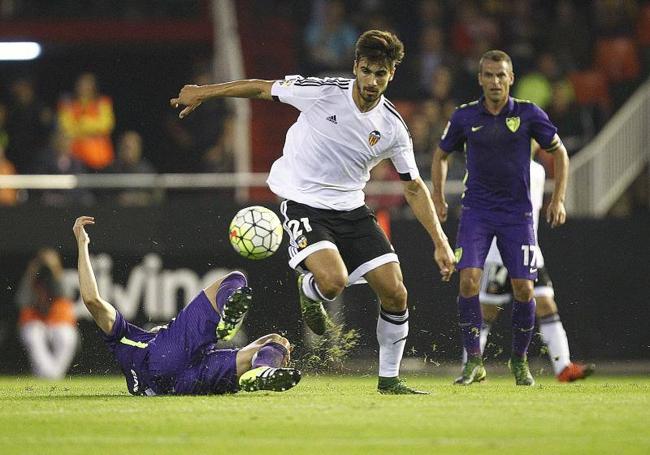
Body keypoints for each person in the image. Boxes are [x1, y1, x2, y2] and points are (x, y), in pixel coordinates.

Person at [171, 29, 456, 394]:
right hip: (304, 201)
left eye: (380, 74)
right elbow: (261, 88)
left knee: (396, 293)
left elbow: (414, 186)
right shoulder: (324, 93)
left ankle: (389, 380)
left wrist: (441, 241)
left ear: (392, 75)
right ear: (356, 67)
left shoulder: (392, 128)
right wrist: (204, 93)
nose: (371, 81)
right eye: (366, 71)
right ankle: (310, 288)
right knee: (333, 282)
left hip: (352, 208)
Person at [431, 49, 570, 386]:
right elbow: (440, 155)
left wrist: (558, 199)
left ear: (511, 78)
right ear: (480, 79)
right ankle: (473, 362)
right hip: (477, 211)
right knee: (467, 282)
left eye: (500, 75)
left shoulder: (529, 114)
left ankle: (518, 360)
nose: (495, 81)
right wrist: (437, 197)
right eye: (489, 75)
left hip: (517, 216)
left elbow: (560, 152)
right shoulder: (465, 116)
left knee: (525, 289)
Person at [72, 216, 301, 395]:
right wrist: (82, 244)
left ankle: (262, 368)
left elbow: (92, 301)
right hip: (167, 360)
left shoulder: (124, 344)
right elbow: (92, 299)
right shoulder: (122, 335)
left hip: (183, 382)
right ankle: (228, 316)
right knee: (234, 279)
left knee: (276, 342)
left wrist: (82, 245)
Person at [460, 160, 594, 382]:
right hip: (499, 252)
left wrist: (558, 200)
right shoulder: (497, 165)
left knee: (546, 304)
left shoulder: (538, 170)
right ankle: (470, 365)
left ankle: (563, 367)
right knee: (487, 311)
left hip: (530, 250)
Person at [16, 248, 79, 379]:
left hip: (57, 322)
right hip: (36, 321)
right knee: (33, 334)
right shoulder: (31, 278)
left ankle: (53, 375)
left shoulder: (60, 277)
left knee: (65, 336)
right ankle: (49, 374)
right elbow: (21, 300)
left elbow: (67, 295)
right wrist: (31, 272)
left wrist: (55, 269)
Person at [58, 72, 115, 171]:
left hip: (101, 158)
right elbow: (66, 128)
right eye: (82, 84)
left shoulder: (103, 102)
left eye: (88, 84)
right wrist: (93, 127)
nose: (84, 87)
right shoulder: (67, 104)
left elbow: (106, 125)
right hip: (76, 157)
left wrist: (83, 123)